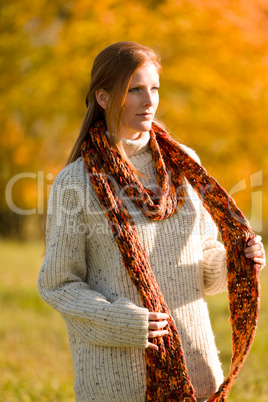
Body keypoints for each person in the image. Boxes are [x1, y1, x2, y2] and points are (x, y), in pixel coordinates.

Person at [37, 41, 265, 402]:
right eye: (135, 90)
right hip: (118, 380)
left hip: (197, 371)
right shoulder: (75, 182)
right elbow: (58, 284)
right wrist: (122, 322)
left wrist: (237, 261)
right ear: (103, 97)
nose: (150, 101)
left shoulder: (185, 164)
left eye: (154, 88)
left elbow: (202, 267)